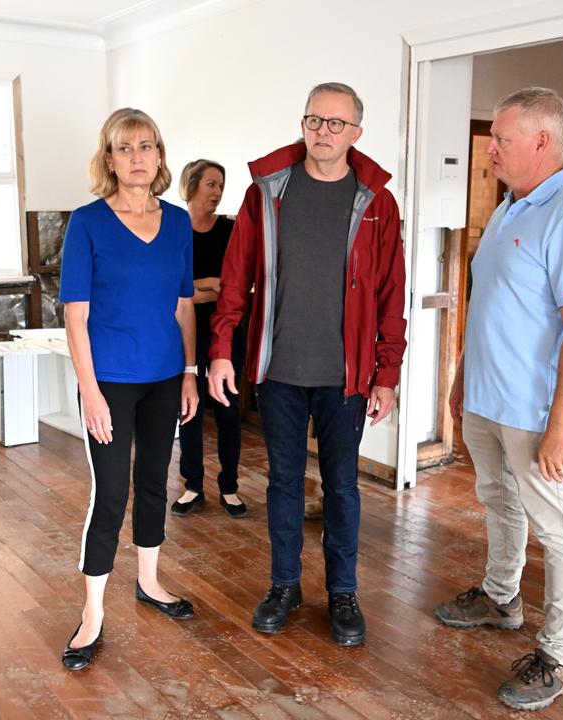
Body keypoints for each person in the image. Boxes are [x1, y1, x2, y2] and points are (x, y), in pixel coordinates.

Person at [208, 82, 407, 647]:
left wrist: (387, 372)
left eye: (335, 123)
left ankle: (342, 593)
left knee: (343, 486)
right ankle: (285, 585)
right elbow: (234, 278)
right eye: (314, 120)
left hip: (347, 377)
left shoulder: (376, 203)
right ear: (303, 124)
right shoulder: (267, 192)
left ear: (356, 133)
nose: (323, 132)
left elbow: (393, 291)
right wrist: (221, 349)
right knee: (284, 484)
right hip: (279, 372)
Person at [434, 87, 563, 711]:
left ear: (541, 142)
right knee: (496, 501)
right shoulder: (511, 206)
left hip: (536, 412)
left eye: (501, 140)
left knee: (558, 530)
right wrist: (461, 379)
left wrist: (562, 427)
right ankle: (501, 597)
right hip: (486, 397)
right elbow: (493, 307)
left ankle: (561, 657)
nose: (491, 151)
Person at [58, 107, 200, 671]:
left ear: (160, 157)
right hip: (110, 381)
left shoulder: (180, 222)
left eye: (147, 146)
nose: (137, 157)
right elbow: (75, 315)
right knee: (110, 492)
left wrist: (189, 370)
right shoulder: (87, 222)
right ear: (109, 159)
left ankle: (149, 582)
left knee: (153, 483)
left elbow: (184, 303)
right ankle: (92, 612)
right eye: (125, 148)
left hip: (165, 376)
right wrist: (89, 392)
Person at [172, 159, 247, 518]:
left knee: (228, 410)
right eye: (211, 184)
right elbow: (173, 291)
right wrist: (207, 286)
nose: (217, 192)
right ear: (192, 186)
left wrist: (196, 288)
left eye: (220, 185)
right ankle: (192, 485)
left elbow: (234, 288)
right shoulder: (174, 229)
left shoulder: (229, 232)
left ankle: (230, 486)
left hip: (226, 334)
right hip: (185, 332)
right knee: (190, 408)